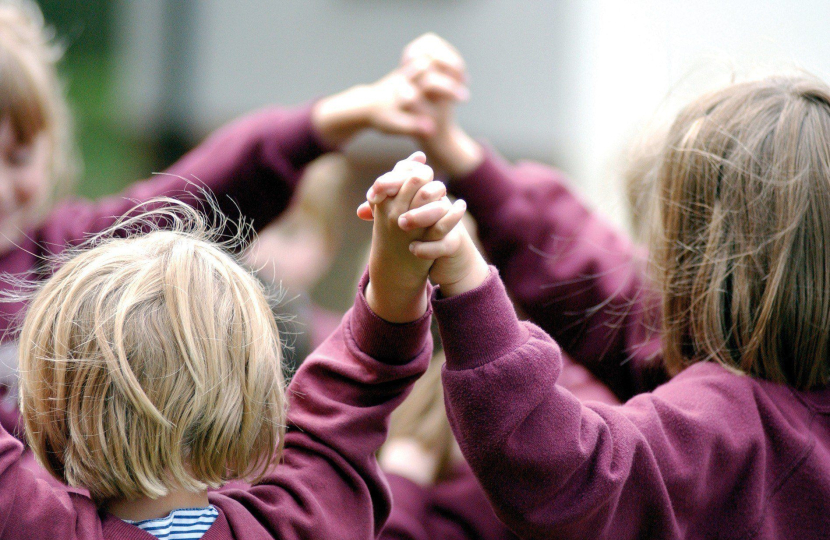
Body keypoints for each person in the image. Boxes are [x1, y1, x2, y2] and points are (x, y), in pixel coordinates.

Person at [364, 74, 830, 538]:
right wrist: (468, 164)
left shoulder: (734, 427)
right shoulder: (794, 413)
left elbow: (567, 472)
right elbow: (616, 302)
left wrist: (467, 283)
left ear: (697, 260)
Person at [0, 2, 466, 439]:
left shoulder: (66, 251)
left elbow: (183, 198)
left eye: (18, 158)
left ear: (52, 145)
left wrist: (334, 119)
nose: (2, 190)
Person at [0, 151, 467, 539]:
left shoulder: (31, 522)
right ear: (257, 404)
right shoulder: (294, 525)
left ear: (47, 401)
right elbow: (353, 391)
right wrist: (396, 273)